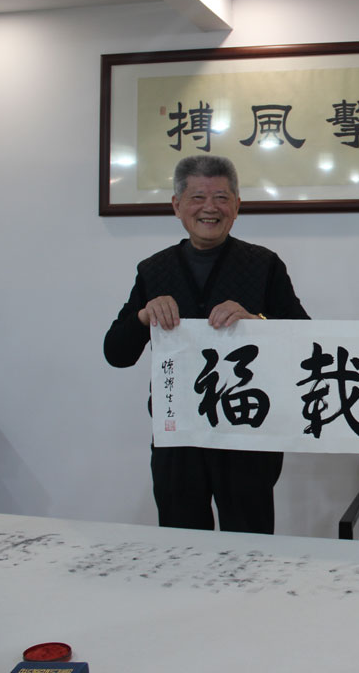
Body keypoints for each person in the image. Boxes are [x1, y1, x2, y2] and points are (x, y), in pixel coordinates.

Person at [104, 154, 308, 534]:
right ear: (177, 205)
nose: (209, 208)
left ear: (237, 206)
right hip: (177, 434)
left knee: (249, 545)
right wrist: (143, 317)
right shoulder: (154, 270)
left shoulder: (264, 265)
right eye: (197, 197)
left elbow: (304, 342)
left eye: (221, 197)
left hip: (246, 433)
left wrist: (256, 322)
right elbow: (116, 353)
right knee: (182, 545)